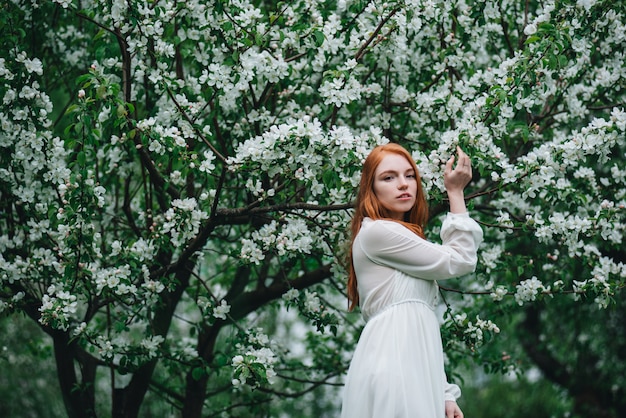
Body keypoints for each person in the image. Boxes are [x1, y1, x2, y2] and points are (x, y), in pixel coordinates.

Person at [341, 143, 483, 418]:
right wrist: (455, 192)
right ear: (371, 189)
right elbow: (461, 259)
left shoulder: (398, 236)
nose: (403, 184)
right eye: (388, 177)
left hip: (412, 366)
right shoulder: (378, 232)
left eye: (409, 176)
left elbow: (419, 323)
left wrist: (443, 393)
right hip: (393, 363)